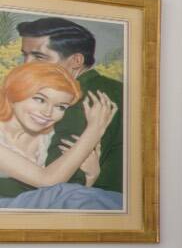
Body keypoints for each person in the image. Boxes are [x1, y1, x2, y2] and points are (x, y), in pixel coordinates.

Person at [16, 16, 123, 196]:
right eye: (25, 55)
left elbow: (61, 183)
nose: (26, 64)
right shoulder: (116, 89)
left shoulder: (76, 100)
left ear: (76, 61)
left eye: (39, 57)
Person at [0, 61, 122, 209]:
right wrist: (95, 130)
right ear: (14, 93)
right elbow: (47, 181)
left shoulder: (49, 138)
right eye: (40, 99)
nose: (48, 112)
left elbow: (66, 199)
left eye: (60, 107)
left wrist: (91, 176)